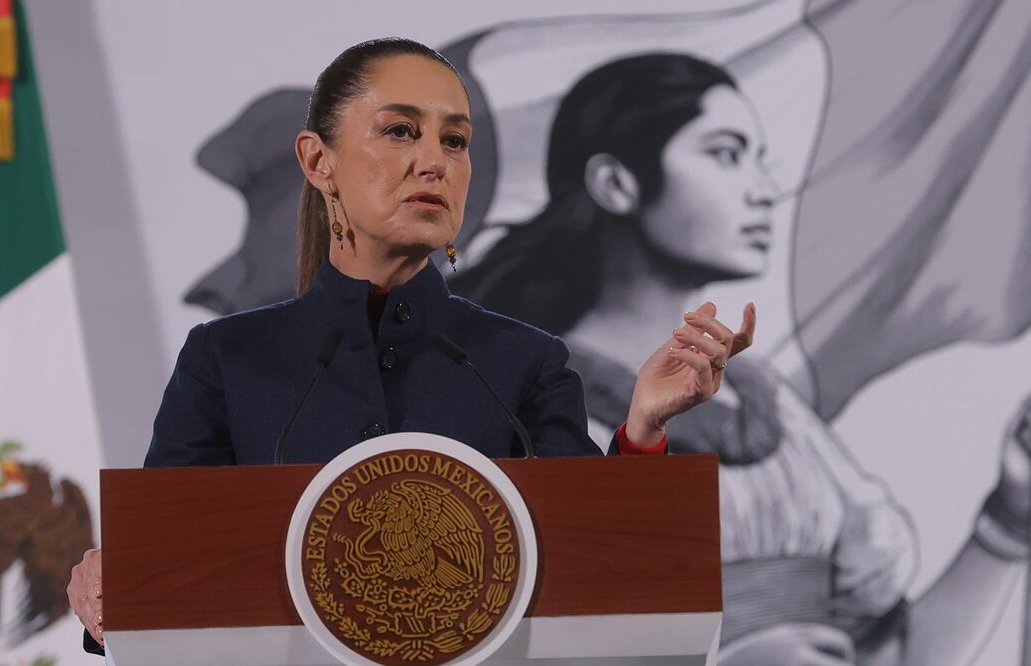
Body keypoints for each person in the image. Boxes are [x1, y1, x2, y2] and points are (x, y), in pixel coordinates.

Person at [65, 39, 755, 655]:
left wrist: (641, 429)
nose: (434, 161)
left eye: (454, 142)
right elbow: (163, 585)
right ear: (317, 160)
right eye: (400, 131)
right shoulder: (226, 360)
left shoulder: (525, 364)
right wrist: (112, 586)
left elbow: (597, 577)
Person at [449, 53, 1031, 665]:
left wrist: (1010, 520)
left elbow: (897, 656)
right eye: (726, 154)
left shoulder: (769, 404)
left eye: (760, 158)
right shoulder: (517, 400)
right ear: (616, 184)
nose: (764, 189)